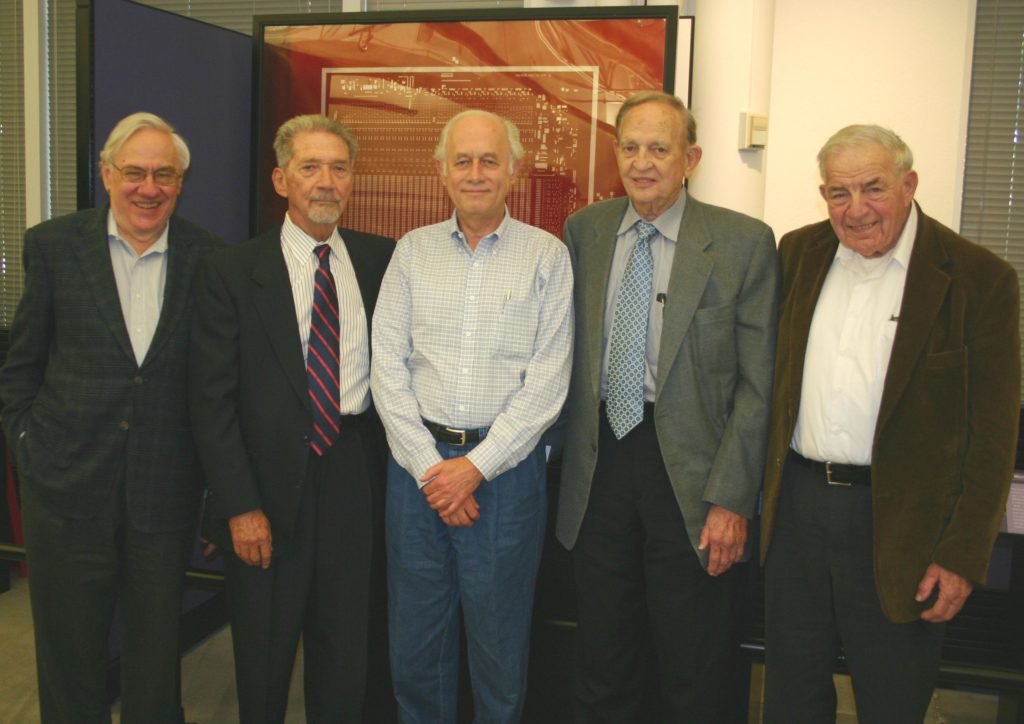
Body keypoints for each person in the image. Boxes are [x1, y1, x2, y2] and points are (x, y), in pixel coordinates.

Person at [760, 124, 1020, 723]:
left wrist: (960, 554)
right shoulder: (798, 254)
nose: (855, 211)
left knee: (892, 701)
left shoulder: (980, 280)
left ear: (909, 184)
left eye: (873, 189)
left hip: (901, 525)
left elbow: (993, 439)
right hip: (798, 511)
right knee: (791, 698)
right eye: (837, 193)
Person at [555, 91, 779, 722]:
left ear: (692, 157)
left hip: (692, 477)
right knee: (601, 656)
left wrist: (732, 499)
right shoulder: (586, 231)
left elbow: (758, 387)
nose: (643, 162)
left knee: (694, 665)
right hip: (599, 465)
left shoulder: (742, 243)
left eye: (659, 147)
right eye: (630, 147)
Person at [0, 112, 221, 723]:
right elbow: (21, 365)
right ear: (106, 174)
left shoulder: (211, 257)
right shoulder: (53, 246)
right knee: (69, 654)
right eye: (134, 172)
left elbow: (214, 385)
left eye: (164, 175)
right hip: (66, 487)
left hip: (163, 489)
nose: (148, 188)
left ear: (181, 182)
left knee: (155, 654)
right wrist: (28, 447)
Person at [189, 114, 395, 723]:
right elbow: (211, 400)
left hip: (357, 475)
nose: (326, 181)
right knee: (264, 651)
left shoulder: (384, 261)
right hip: (267, 488)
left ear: (352, 179)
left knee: (346, 648)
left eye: (338, 167)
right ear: (281, 180)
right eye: (310, 167)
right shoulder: (232, 271)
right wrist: (239, 505)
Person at [370, 109, 573, 723]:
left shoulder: (547, 256)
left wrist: (473, 469)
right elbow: (387, 370)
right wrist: (437, 472)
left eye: (490, 160)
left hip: (506, 480)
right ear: (442, 171)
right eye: (463, 160)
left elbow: (548, 382)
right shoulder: (412, 252)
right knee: (417, 646)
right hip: (416, 474)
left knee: (499, 648)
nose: (476, 173)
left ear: (513, 171)